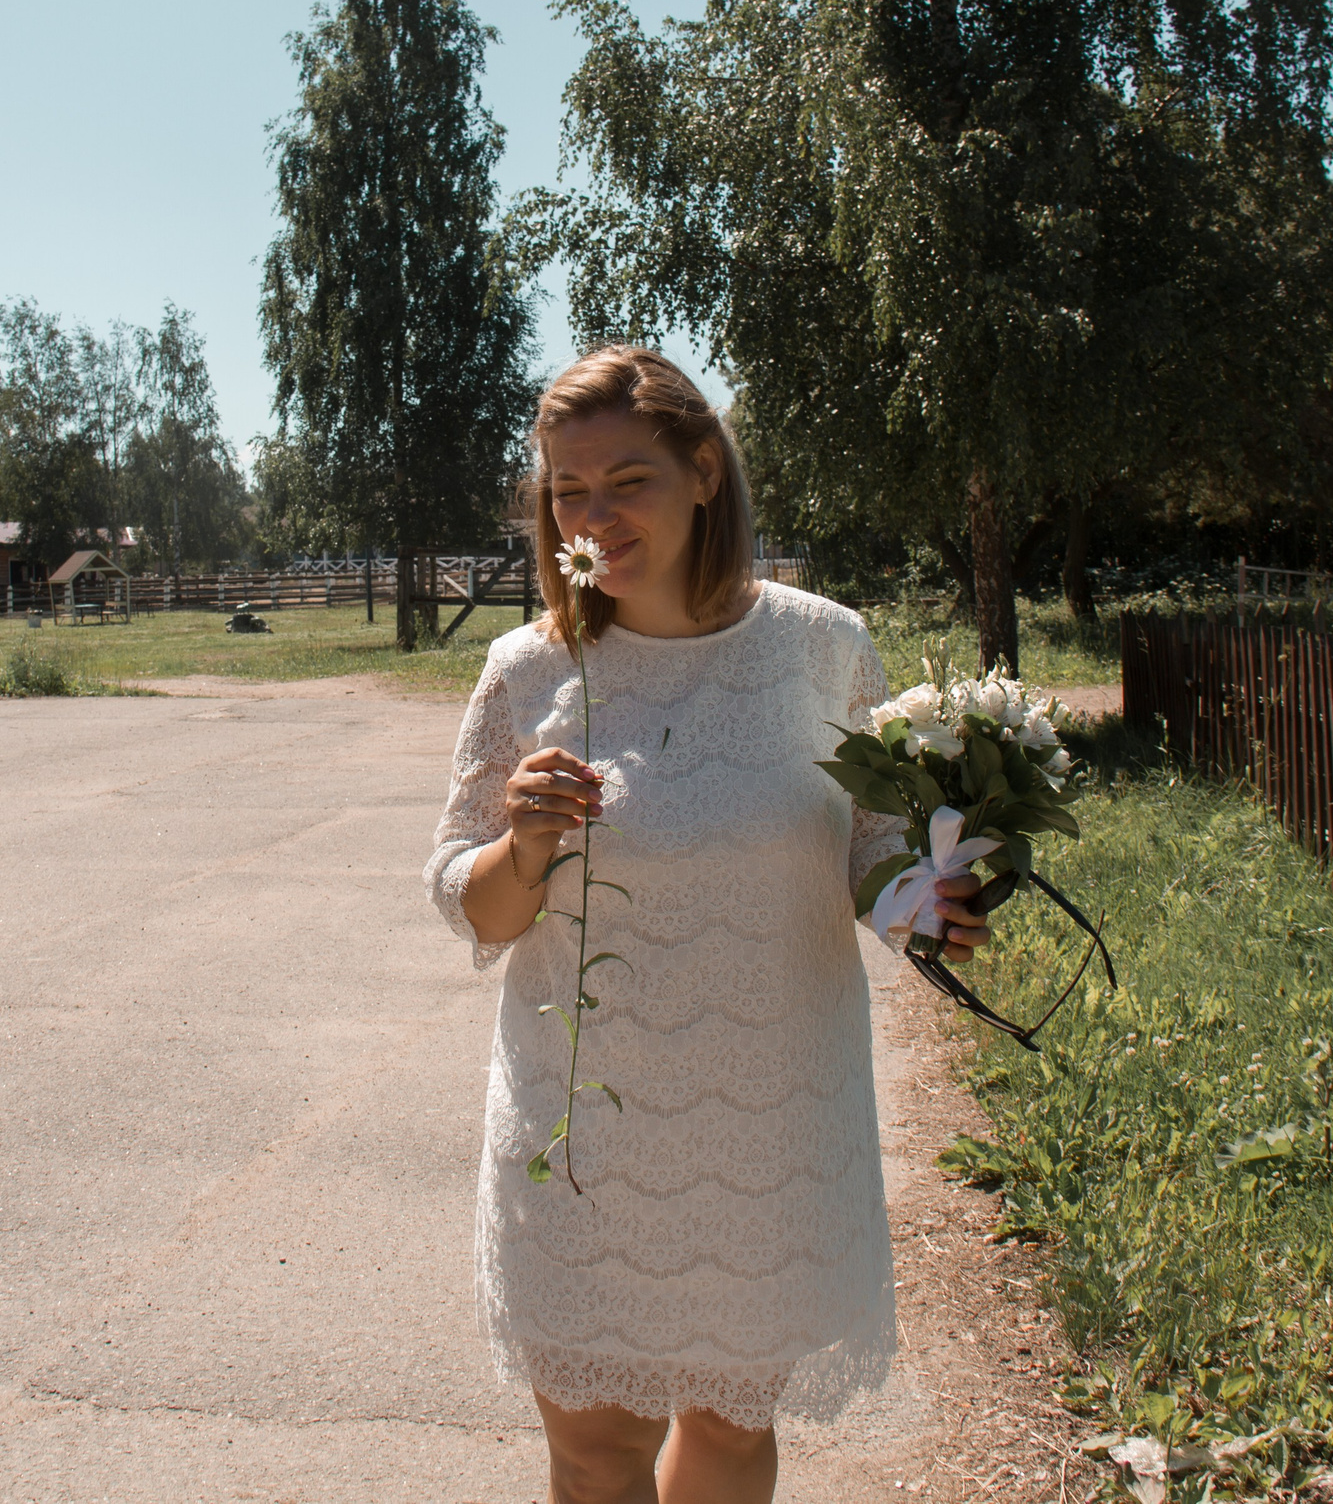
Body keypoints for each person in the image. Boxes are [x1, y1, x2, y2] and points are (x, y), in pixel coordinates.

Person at [425, 346, 993, 1504]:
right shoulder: (529, 669)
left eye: (626, 480)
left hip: (768, 1131)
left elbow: (875, 853)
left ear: (702, 471)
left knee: (730, 1440)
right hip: (583, 1143)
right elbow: (467, 900)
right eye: (567, 490)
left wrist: (929, 905)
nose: (593, 516)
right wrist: (521, 848)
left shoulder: (822, 648)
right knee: (596, 1458)